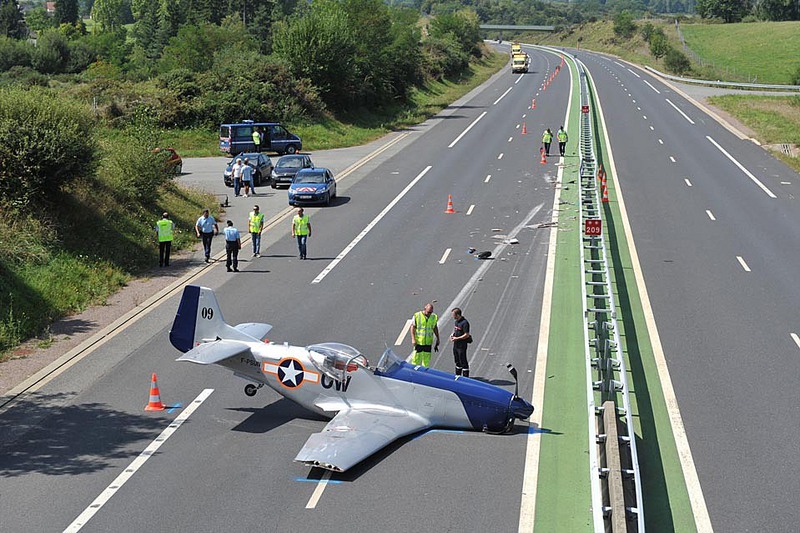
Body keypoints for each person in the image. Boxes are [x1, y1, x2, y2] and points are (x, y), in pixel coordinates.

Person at [410, 303, 440, 367]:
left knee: (426, 361)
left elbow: (435, 327)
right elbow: (413, 327)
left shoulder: (433, 317)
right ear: (425, 309)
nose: (430, 314)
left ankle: (424, 373)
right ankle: (414, 373)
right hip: (419, 342)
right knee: (416, 359)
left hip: (428, 342)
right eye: (428, 312)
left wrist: (438, 338)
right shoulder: (417, 315)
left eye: (431, 312)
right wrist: (413, 339)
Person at [450, 308, 471, 377]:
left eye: (453, 315)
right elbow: (456, 330)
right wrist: (453, 334)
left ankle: (465, 377)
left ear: (458, 315)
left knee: (463, 360)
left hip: (462, 345)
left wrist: (457, 338)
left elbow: (466, 334)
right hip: (456, 345)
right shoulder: (456, 322)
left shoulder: (465, 323)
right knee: (457, 360)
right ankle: (457, 375)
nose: (452, 316)